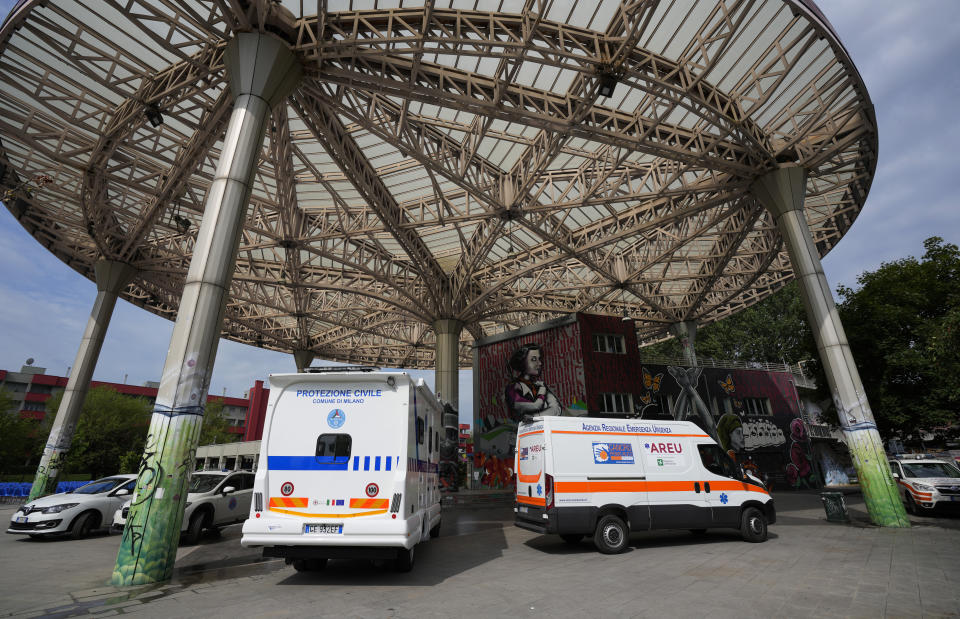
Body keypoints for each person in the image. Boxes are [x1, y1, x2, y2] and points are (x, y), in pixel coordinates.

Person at [504, 343, 561, 421]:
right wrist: (541, 393)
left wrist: (534, 417)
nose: (540, 363)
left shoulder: (539, 386)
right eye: (534, 359)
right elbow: (535, 406)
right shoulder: (513, 387)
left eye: (539, 359)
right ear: (522, 362)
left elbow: (556, 409)